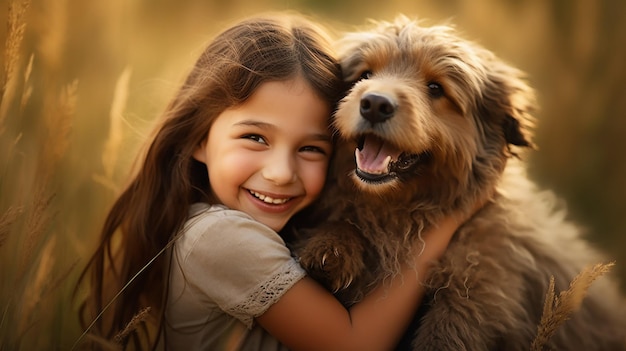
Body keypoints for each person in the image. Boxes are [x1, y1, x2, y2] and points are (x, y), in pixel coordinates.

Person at [77, 12, 482, 350]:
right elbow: (352, 346)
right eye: (255, 138)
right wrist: (440, 234)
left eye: (312, 148)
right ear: (198, 138)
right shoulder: (220, 238)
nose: (280, 172)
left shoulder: (248, 221)